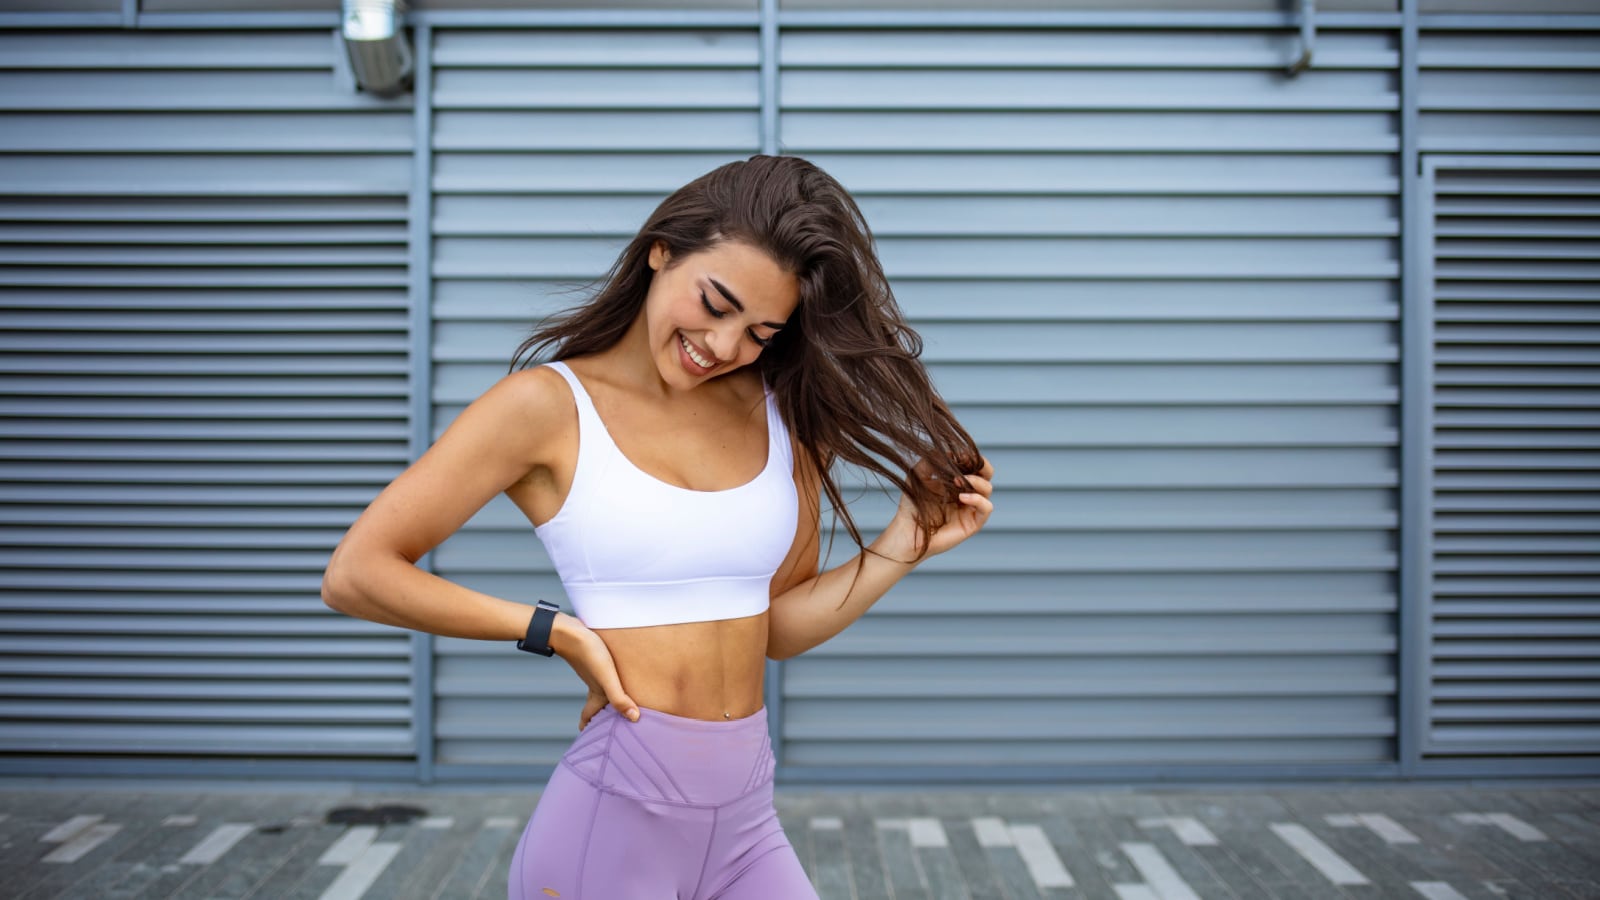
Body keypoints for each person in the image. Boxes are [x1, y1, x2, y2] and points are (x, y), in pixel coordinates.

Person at [321, 154, 995, 899]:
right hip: (613, 822)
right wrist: (559, 631)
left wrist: (902, 545)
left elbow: (774, 627)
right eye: (714, 302)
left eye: (761, 331)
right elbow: (358, 573)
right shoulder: (545, 407)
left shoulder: (782, 417)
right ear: (661, 250)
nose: (726, 345)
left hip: (745, 825)